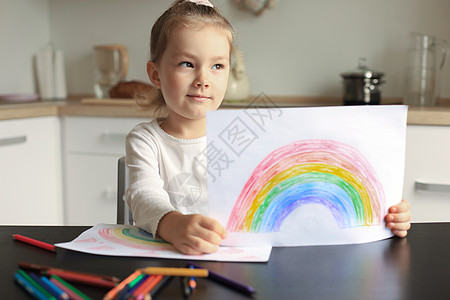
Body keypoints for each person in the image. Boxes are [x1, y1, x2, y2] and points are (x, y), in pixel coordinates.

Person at [125, 0, 411, 255]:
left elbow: (291, 193)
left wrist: (387, 212)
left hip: (237, 264)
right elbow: (143, 195)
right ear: (156, 74)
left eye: (217, 66)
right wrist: (172, 225)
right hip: (168, 264)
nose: (203, 79)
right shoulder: (146, 139)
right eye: (187, 63)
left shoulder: (243, 134)